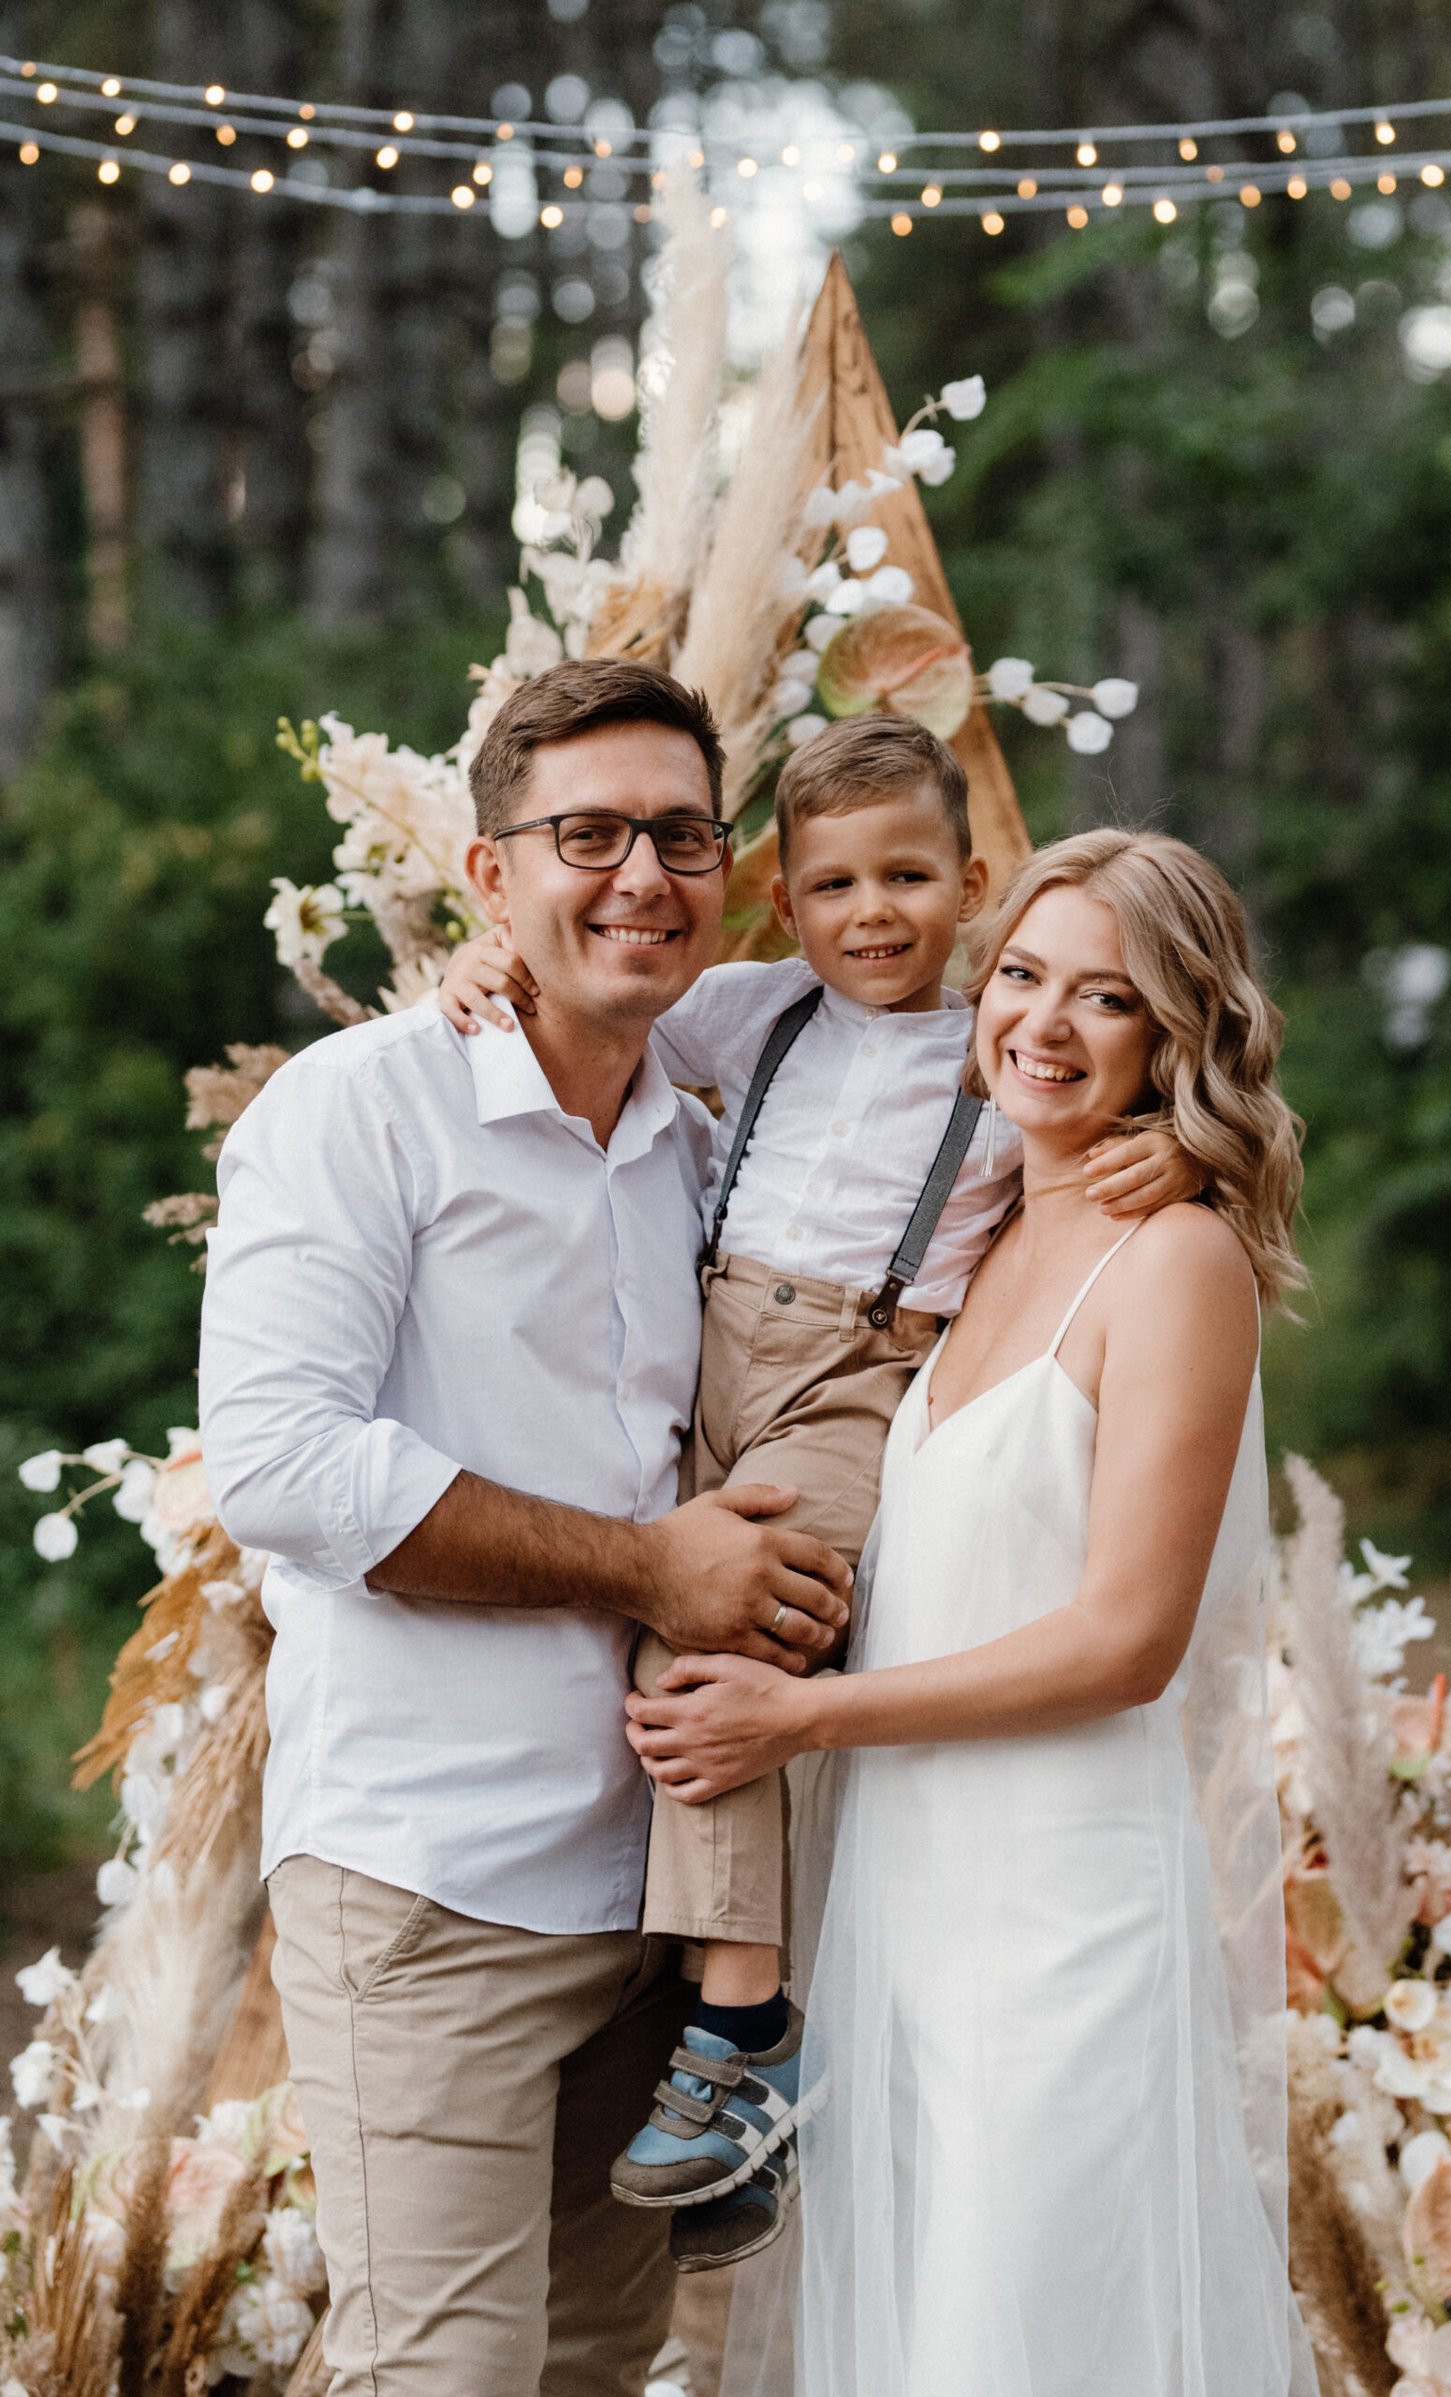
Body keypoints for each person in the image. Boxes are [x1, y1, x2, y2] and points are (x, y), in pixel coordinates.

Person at [439, 720, 1200, 2271]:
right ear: (786, 903)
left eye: (912, 878)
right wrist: (480, 973)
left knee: (723, 1644)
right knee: (650, 1626)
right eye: (839, 883)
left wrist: (1174, 1156)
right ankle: (728, 2050)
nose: (875, 914)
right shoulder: (746, 1012)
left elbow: (1112, 1115)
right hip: (707, 1349)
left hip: (855, 1368)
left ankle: (745, 2028)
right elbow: (592, 998)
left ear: (970, 884)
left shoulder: (995, 1052)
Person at [196, 658, 854, 2397]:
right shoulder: (358, 1113)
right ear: (489, 876)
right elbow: (279, 1463)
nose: (642, 873)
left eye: (683, 835)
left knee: (591, 2370)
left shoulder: (704, 1138)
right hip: (433, 1883)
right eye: (587, 834)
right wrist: (652, 1565)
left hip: (656, 1890)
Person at [626, 829, 1318, 2395]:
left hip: (1061, 1920)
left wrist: (800, 1713)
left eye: (1110, 999)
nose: (1044, 1026)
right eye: (1020, 976)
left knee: (1019, 2343)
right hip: (903, 1906)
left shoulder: (1176, 1260)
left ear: (1177, 1037)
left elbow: (1125, 1641)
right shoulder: (983, 1216)